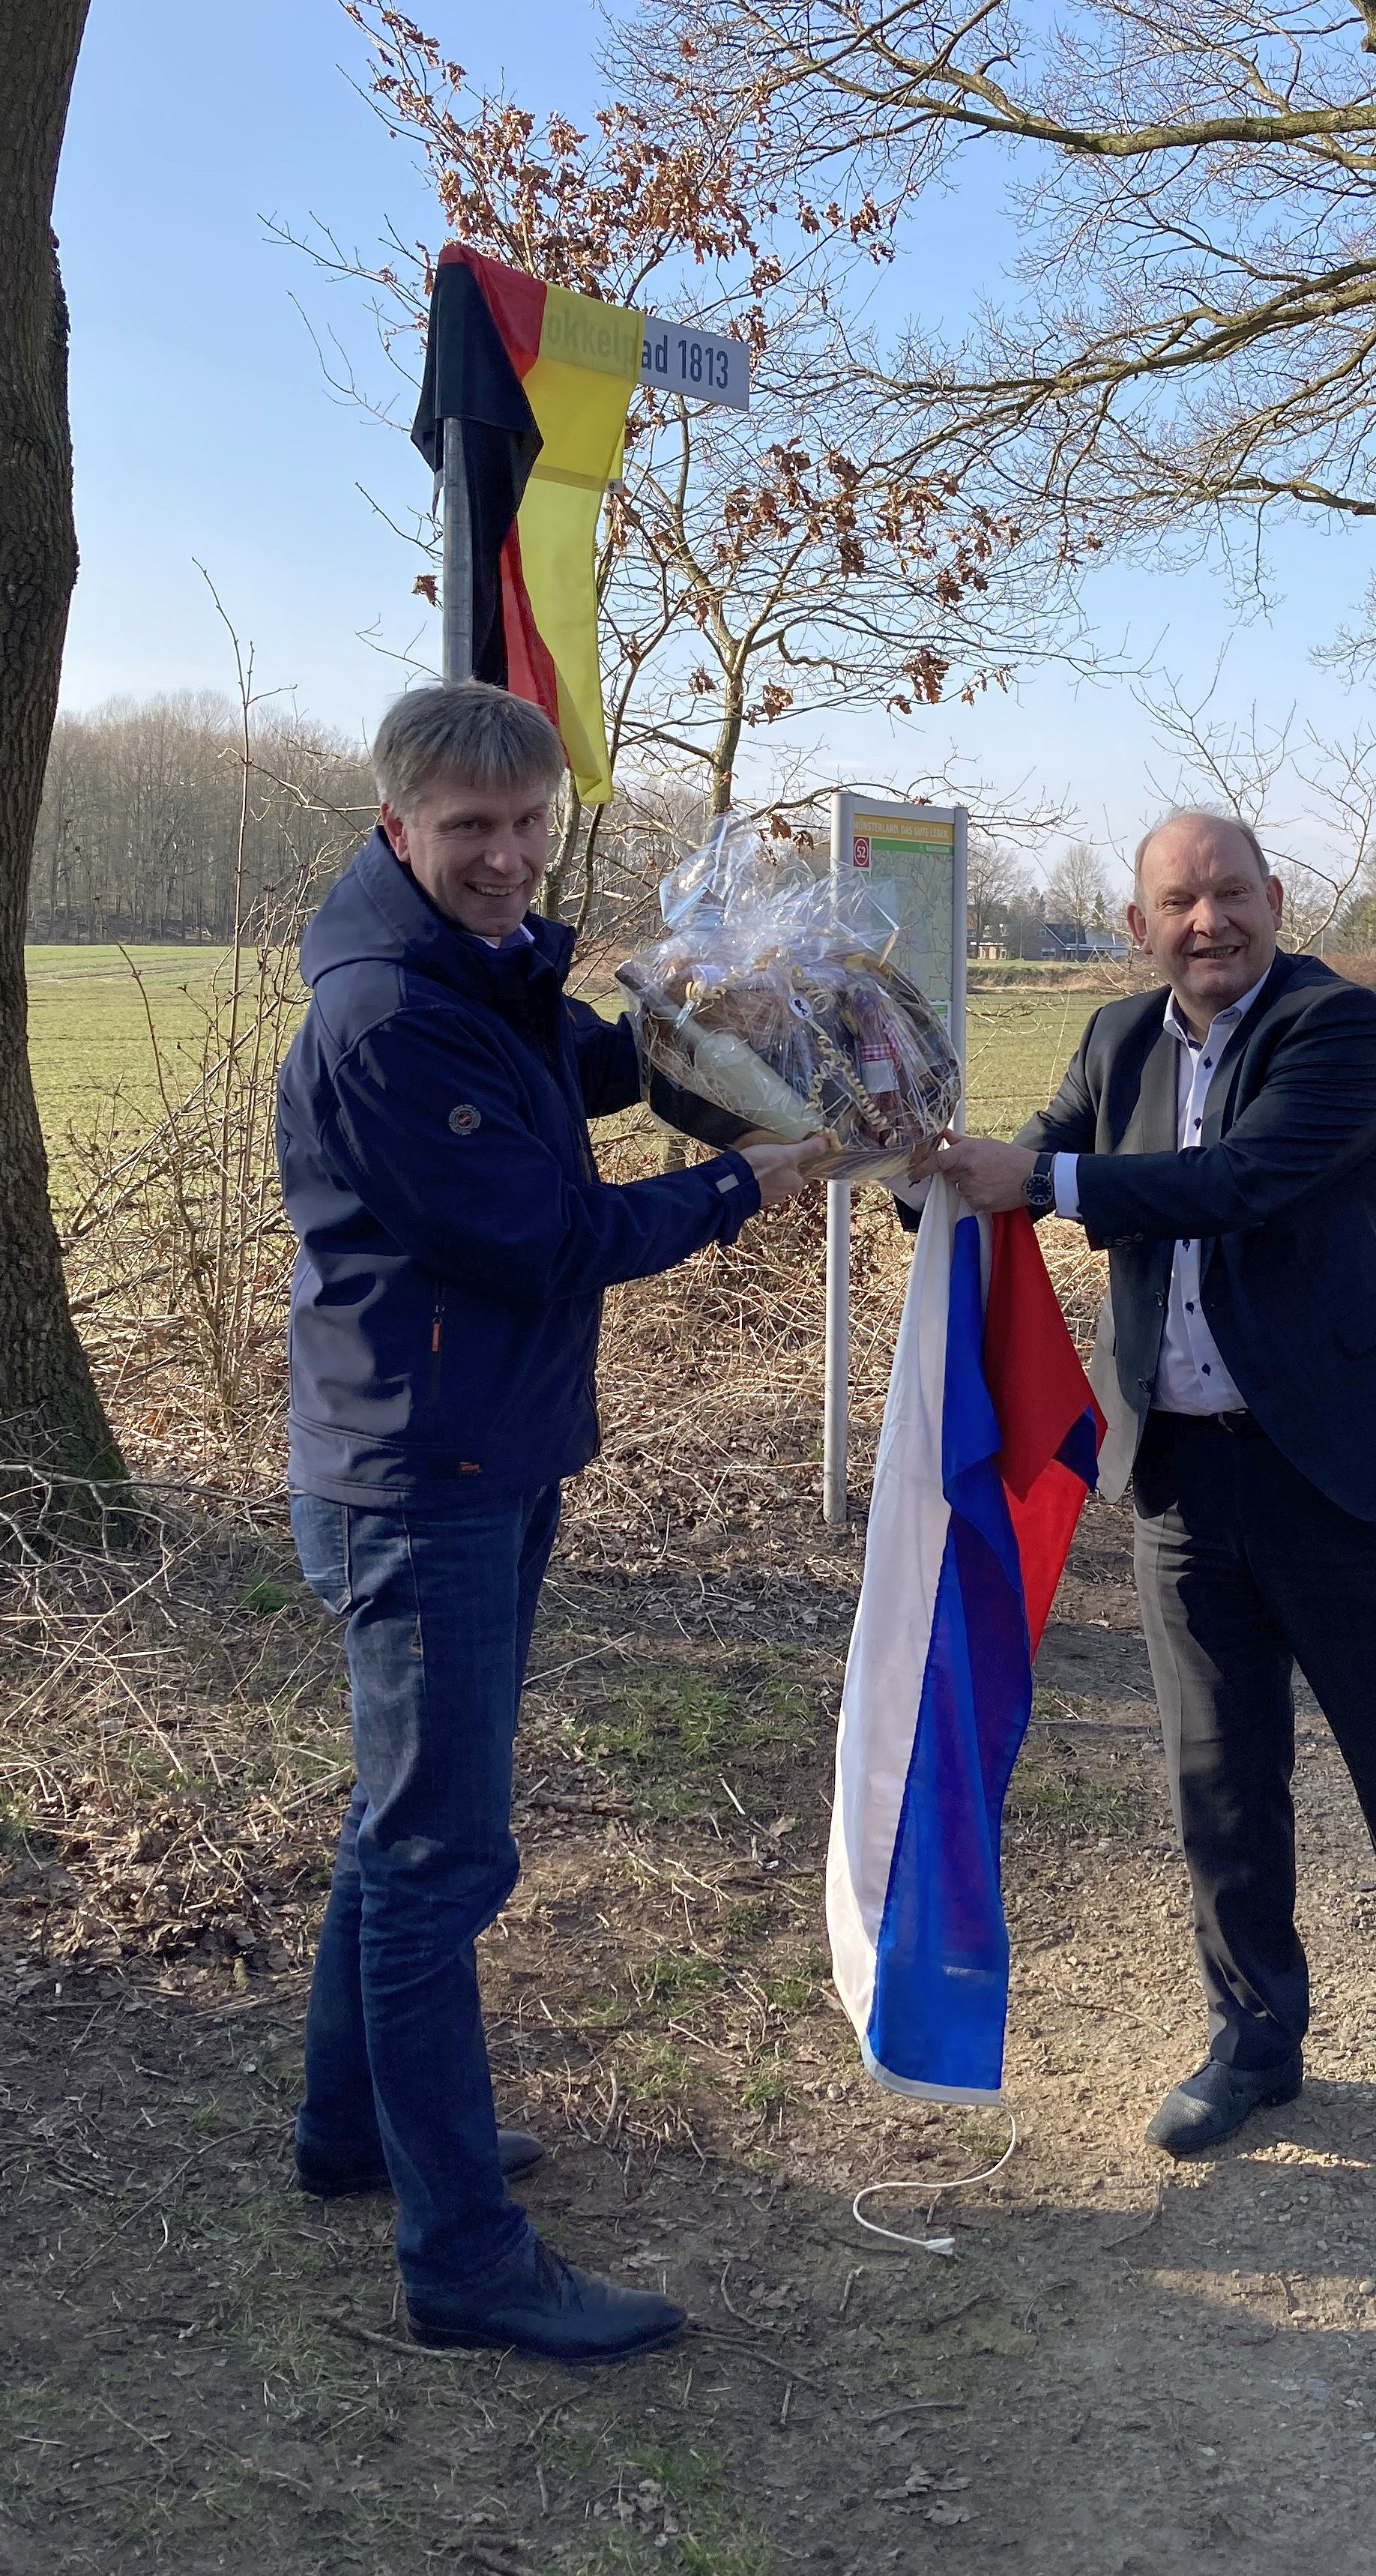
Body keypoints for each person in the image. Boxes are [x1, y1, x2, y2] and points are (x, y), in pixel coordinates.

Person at [278, 681, 827, 2357]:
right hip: (419, 1475)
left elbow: (583, 1066)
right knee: (443, 1859)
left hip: (479, 1450)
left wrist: (701, 1015)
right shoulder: (386, 1020)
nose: (509, 858)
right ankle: (463, 2265)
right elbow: (541, 1235)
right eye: (470, 831)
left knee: (404, 1831)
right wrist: (748, 1184)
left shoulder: (475, 977)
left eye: (528, 827)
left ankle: (351, 2134)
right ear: (399, 831)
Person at [929, 809, 1376, 2168]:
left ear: (1274, 897)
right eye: (1178, 904)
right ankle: (1255, 2042)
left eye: (1231, 895)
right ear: (1139, 928)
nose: (1210, 924)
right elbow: (1023, 1173)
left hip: (1344, 1474)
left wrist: (1043, 1177)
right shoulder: (1115, 1041)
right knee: (1219, 1778)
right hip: (1185, 1484)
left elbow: (1236, 1181)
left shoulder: (1341, 1028)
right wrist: (911, 1163)